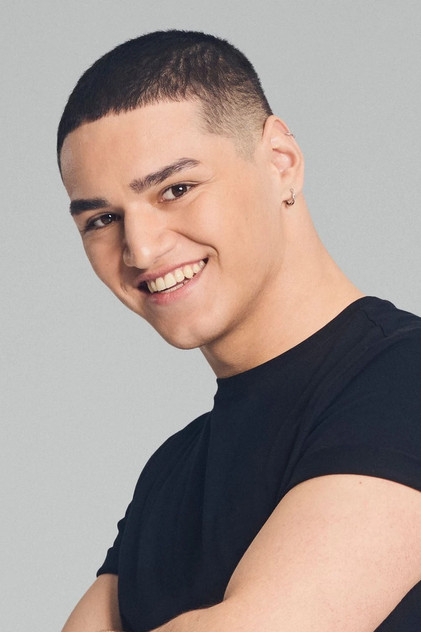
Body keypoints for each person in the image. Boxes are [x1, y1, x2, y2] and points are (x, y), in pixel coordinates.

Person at [58, 30, 421, 632]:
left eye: (176, 189)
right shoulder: (170, 472)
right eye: (102, 219)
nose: (140, 249)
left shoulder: (406, 383)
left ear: (281, 161)